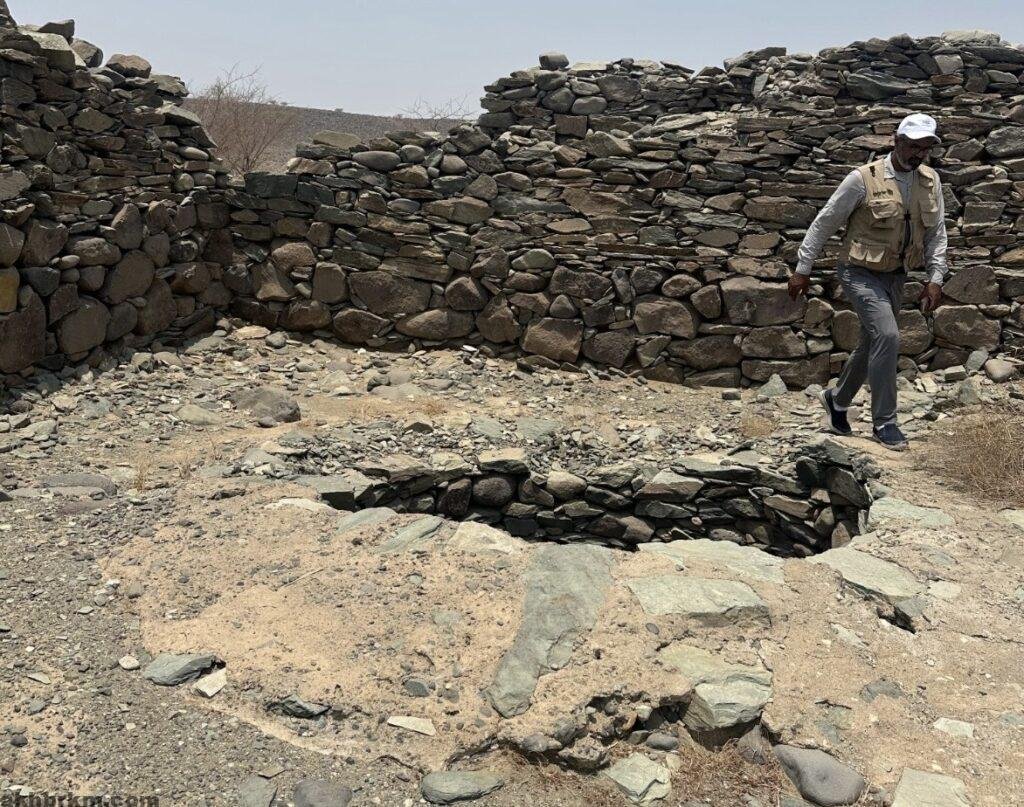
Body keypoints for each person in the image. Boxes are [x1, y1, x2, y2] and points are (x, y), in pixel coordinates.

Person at [788, 113, 947, 451]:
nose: (919, 154)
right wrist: (803, 268)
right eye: (913, 146)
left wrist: (935, 277)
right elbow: (825, 222)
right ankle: (885, 422)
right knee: (888, 335)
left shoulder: (931, 180)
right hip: (858, 271)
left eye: (925, 148)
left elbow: (937, 233)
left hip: (896, 274)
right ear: (897, 141)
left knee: (873, 341)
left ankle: (837, 400)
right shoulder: (862, 179)